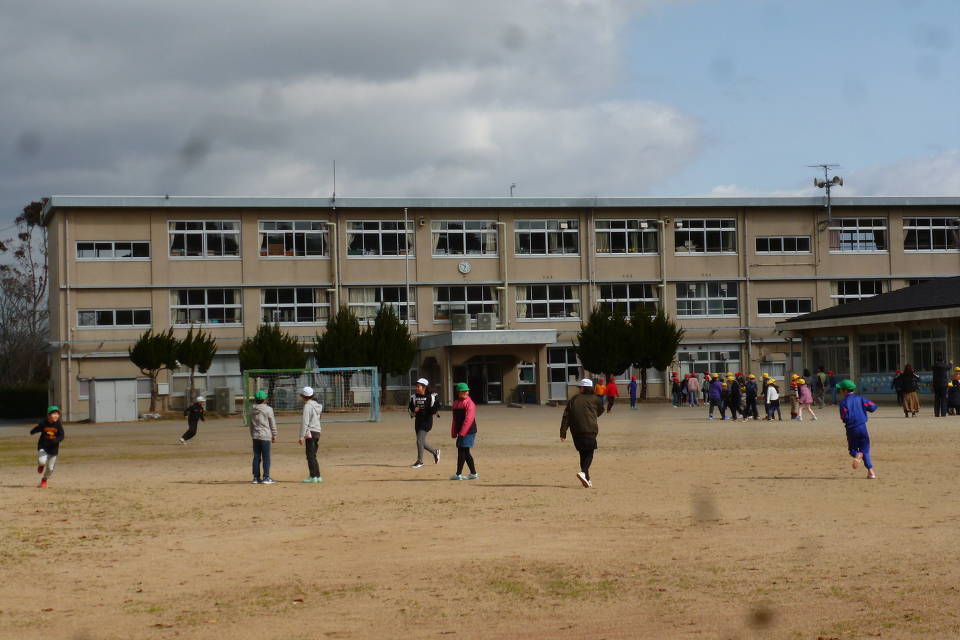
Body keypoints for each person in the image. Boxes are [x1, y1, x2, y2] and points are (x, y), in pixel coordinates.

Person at [560, 378, 604, 488]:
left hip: (576, 431)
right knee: (589, 453)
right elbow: (601, 410)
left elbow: (566, 416)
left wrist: (563, 432)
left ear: (583, 388)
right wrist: (593, 415)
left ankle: (587, 479)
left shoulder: (574, 399)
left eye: (580, 387)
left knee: (582, 454)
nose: (579, 389)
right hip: (590, 429)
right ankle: (583, 472)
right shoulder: (595, 399)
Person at [836, 379, 878, 479]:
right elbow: (873, 407)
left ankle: (857, 454)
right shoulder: (861, 398)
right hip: (863, 427)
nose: (840, 391)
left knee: (852, 450)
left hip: (851, 429)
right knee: (865, 450)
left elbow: (844, 417)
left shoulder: (843, 402)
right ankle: (871, 472)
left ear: (845, 391)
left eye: (840, 390)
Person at [408, 377, 440, 468]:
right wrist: (414, 410)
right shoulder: (413, 397)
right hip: (418, 422)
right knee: (421, 441)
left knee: (419, 441)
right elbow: (410, 410)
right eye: (416, 386)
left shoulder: (431, 396)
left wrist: (432, 411)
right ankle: (435, 452)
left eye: (419, 386)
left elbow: (436, 406)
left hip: (427, 422)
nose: (417, 388)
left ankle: (420, 461)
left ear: (424, 387)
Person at [31, 406, 64, 488]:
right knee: (42, 461)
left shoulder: (58, 424)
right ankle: (41, 465)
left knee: (50, 468)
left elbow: (62, 435)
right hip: (43, 446)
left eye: (57, 414)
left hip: (53, 449)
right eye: (54, 414)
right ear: (48, 415)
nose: (56, 415)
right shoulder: (43, 423)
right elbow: (38, 428)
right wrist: (33, 431)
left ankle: (44, 480)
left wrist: (56, 440)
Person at [450, 382, 478, 480]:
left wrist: (462, 432)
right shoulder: (456, 403)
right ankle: (473, 473)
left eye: (467, 391)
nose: (466, 392)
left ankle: (458, 474)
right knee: (465, 452)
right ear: (458, 392)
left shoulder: (470, 403)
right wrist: (454, 431)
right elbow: (455, 420)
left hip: (469, 431)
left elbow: (469, 419)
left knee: (462, 451)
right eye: (463, 391)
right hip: (462, 431)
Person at [250, 390, 277, 484]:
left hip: (255, 436)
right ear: (264, 399)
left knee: (256, 457)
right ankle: (266, 477)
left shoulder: (252, 409)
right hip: (265, 436)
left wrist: (252, 434)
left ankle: (256, 477)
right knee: (266, 457)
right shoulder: (268, 409)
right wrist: (274, 435)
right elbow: (272, 423)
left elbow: (251, 425)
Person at [298, 386, 324, 483]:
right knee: (313, 455)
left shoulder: (307, 406)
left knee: (310, 456)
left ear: (304, 396)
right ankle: (317, 476)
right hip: (317, 432)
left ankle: (313, 476)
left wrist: (301, 437)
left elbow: (305, 422)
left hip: (310, 432)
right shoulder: (317, 405)